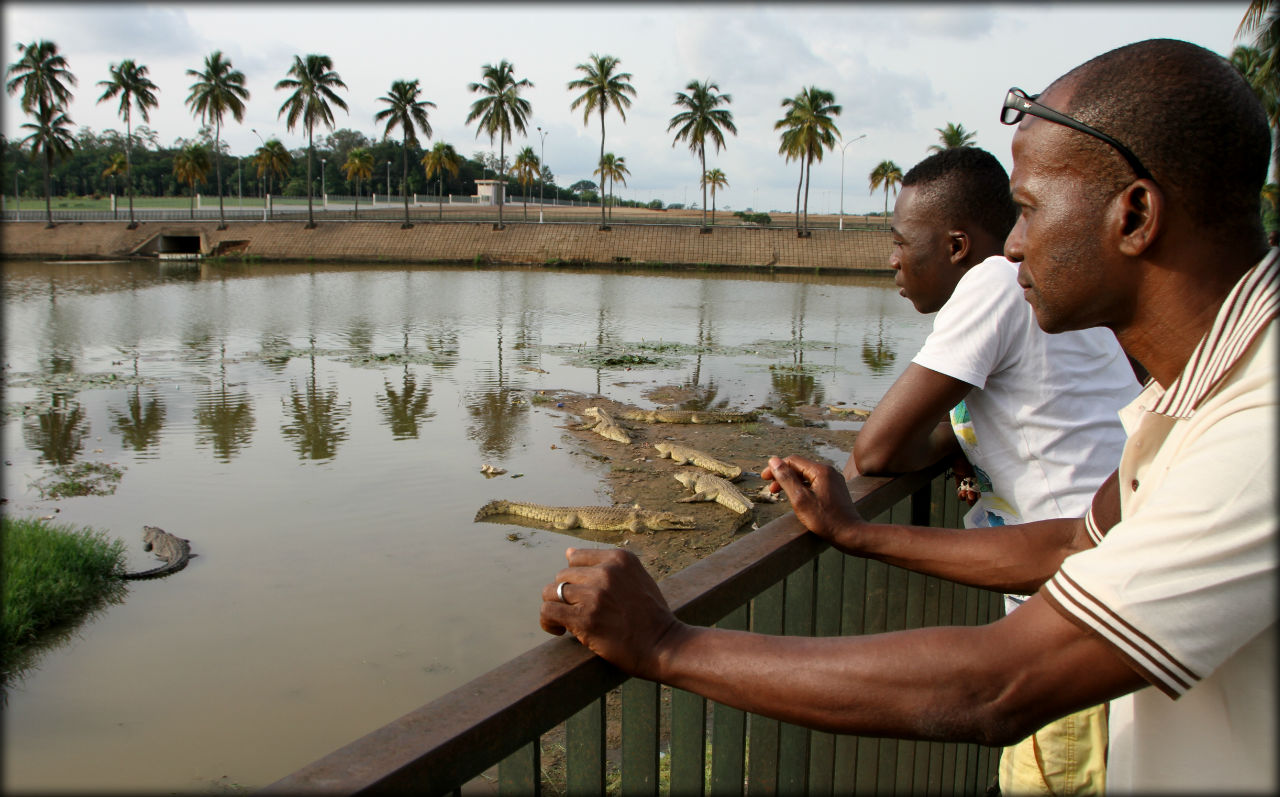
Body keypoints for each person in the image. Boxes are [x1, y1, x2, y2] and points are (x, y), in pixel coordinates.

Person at [540, 39, 1276, 794]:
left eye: (1027, 210)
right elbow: (1069, 543)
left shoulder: (1258, 429)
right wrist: (860, 533)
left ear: (1136, 214)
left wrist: (665, 643)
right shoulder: (1196, 390)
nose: (1013, 246)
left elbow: (995, 686)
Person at [848, 145, 1140, 793]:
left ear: (956, 246)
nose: (892, 259)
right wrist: (962, 443)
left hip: (1072, 619)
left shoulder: (992, 284)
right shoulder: (1041, 288)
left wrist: (945, 444)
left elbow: (875, 452)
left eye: (901, 241)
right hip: (1109, 600)